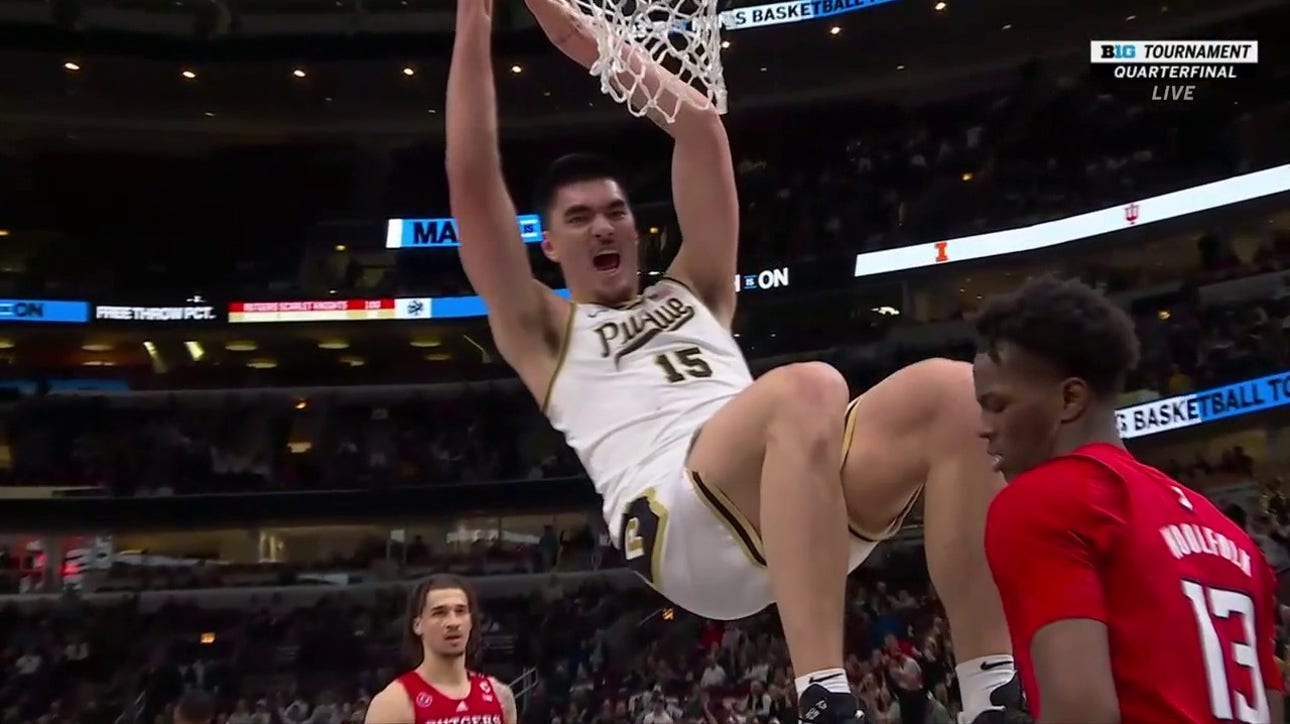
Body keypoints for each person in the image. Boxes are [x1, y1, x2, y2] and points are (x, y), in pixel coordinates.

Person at [444, 0, 1023, 719]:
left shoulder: (698, 287)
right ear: (551, 247)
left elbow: (700, 129)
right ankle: (821, 695)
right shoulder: (546, 330)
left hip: (791, 504)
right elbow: (471, 187)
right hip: (678, 526)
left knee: (955, 392)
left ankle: (989, 687)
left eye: (616, 210)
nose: (604, 225)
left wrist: (586, 42)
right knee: (809, 385)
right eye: (580, 217)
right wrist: (475, 21)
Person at [972, 275, 1286, 723]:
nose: (982, 426)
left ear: (1070, 399)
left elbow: (1082, 714)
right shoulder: (1235, 540)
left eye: (996, 405)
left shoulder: (1042, 501)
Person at [365, 575, 517, 724]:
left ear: (471, 621)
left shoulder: (500, 696)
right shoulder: (393, 704)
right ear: (418, 625)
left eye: (460, 611)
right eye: (439, 613)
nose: (453, 622)